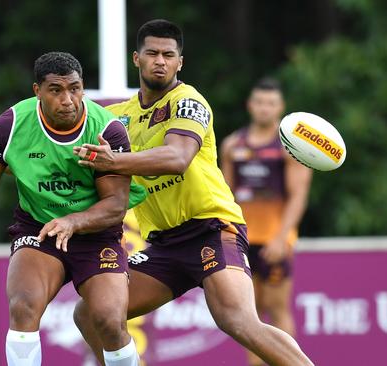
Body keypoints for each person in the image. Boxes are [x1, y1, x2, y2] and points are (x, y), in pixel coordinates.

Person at [71, 20, 314, 366]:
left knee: (237, 318)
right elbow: (63, 141)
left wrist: (116, 160)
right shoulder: (115, 117)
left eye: (168, 55)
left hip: (210, 228)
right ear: (136, 58)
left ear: (179, 62)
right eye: (152, 53)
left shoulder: (189, 101)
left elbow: (177, 158)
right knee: (94, 312)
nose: (160, 61)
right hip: (165, 244)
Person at [0, 52, 144, 366]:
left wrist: (73, 221)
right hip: (39, 230)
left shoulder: (108, 130)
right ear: (37, 91)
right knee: (23, 307)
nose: (68, 99)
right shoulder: (11, 124)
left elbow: (115, 205)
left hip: (97, 235)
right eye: (56, 90)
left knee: (110, 321)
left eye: (74, 88)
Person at [220, 78, 313, 366]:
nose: (264, 108)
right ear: (250, 105)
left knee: (277, 307)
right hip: (242, 240)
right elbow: (224, 194)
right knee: (250, 313)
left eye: (270, 103)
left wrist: (282, 237)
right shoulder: (233, 144)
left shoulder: (290, 148)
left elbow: (298, 196)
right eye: (259, 102)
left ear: (280, 107)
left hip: (275, 239)